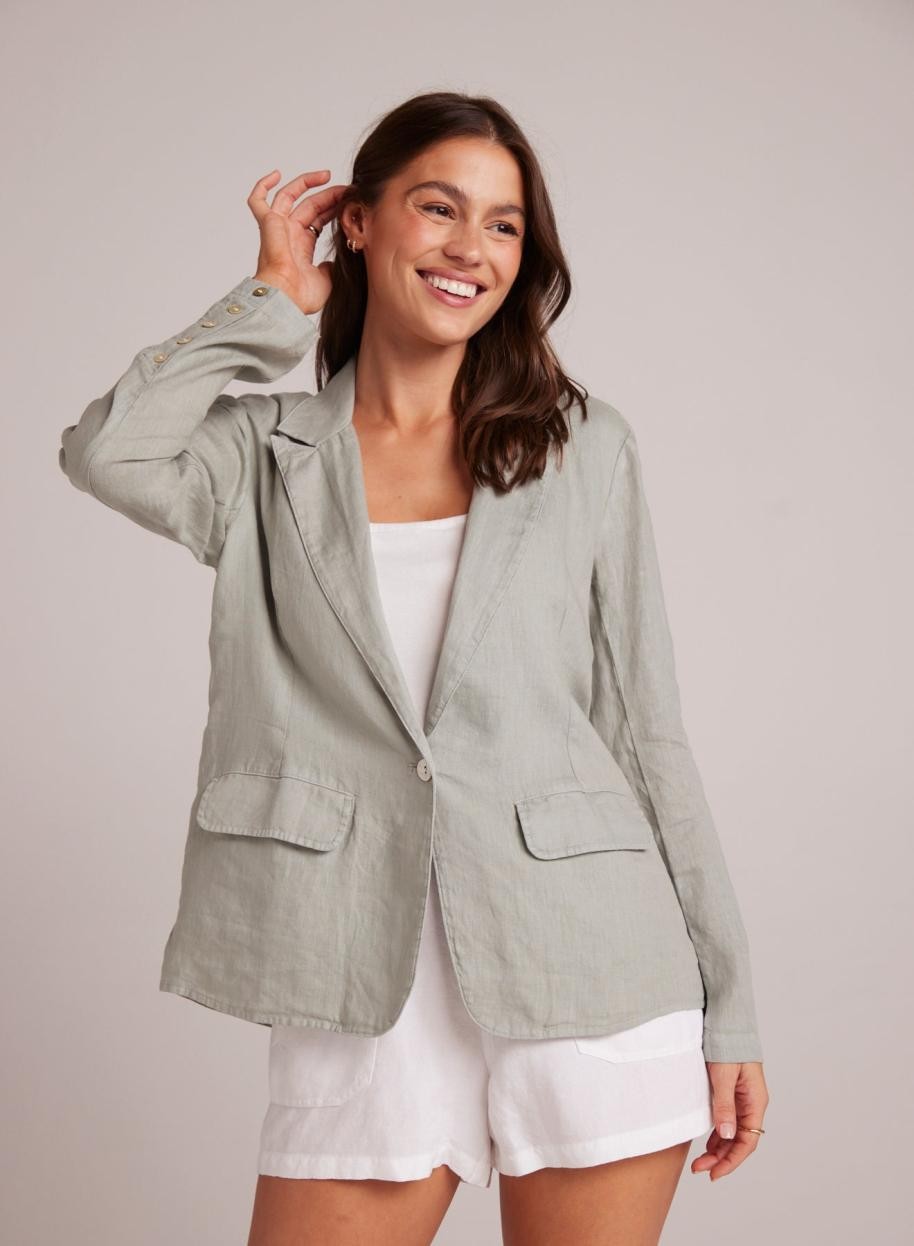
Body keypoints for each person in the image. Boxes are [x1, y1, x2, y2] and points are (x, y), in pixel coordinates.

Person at [60, 91, 769, 1246]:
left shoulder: (583, 447)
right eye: (438, 208)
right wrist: (270, 302)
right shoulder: (262, 456)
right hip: (351, 968)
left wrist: (728, 1001)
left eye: (502, 225)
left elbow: (645, 730)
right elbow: (107, 452)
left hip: (585, 959)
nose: (469, 248)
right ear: (358, 222)